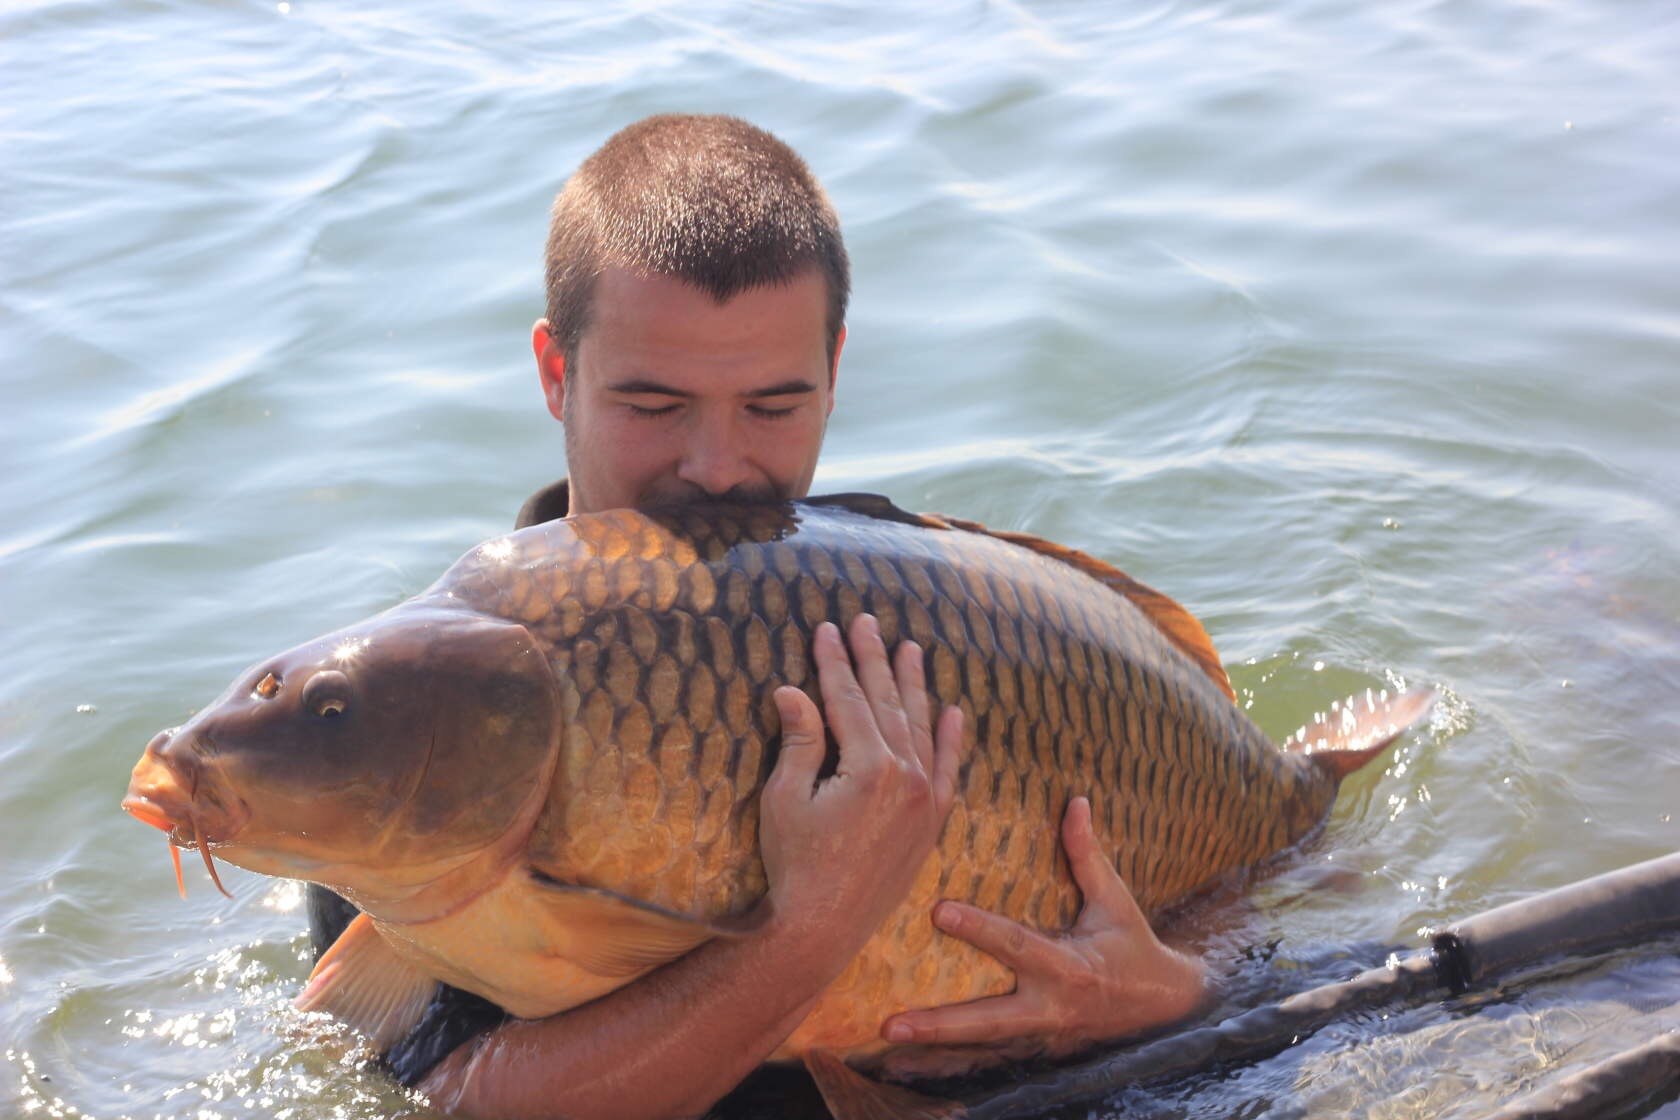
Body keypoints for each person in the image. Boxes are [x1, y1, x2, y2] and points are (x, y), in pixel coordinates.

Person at [308, 113, 1207, 1119]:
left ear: (834, 372)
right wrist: (810, 930)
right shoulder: (407, 730)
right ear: (557, 373)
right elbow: (450, 1106)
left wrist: (1175, 997)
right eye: (654, 405)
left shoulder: (938, 612)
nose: (719, 467)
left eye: (774, 407)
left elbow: (1248, 929)